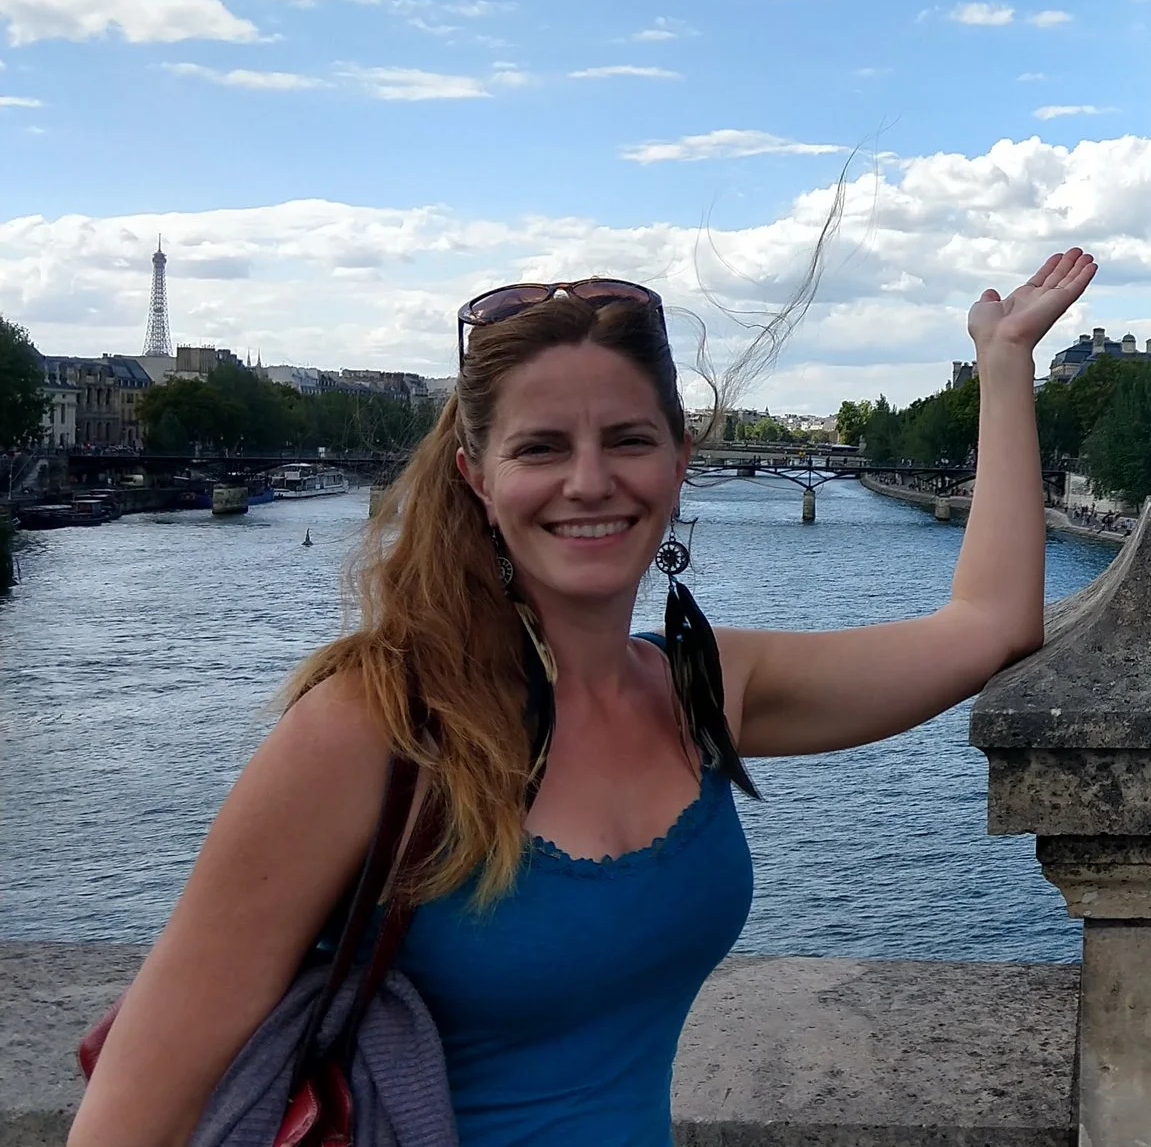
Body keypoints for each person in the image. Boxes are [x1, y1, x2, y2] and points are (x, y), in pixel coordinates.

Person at [70, 249, 1098, 1147]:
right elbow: (131, 1113)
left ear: (681, 461)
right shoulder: (370, 729)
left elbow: (987, 626)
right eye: (542, 447)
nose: (591, 480)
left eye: (629, 439)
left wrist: (1003, 364)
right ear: (477, 476)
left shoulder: (704, 689)